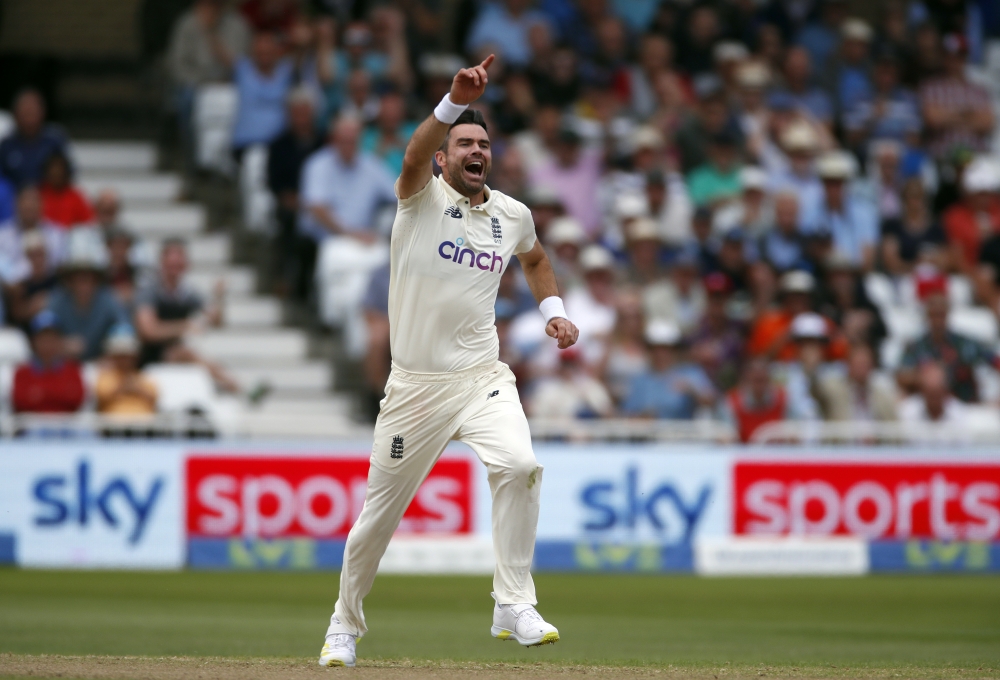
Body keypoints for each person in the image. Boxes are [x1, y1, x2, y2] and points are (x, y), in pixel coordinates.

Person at [318, 56, 579, 668]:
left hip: (482, 376)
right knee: (375, 523)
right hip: (414, 387)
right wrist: (453, 102)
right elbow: (411, 156)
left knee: (520, 464)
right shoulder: (419, 198)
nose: (474, 149)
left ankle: (513, 603)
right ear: (444, 156)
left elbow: (536, 260)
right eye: (463, 141)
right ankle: (343, 625)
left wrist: (554, 310)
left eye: (482, 142)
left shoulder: (512, 214)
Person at [301, 115, 397, 356]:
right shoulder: (317, 165)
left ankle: (360, 343)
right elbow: (317, 209)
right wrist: (350, 233)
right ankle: (328, 318)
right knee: (335, 259)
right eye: (343, 140)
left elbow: (398, 197)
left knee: (362, 284)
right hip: (330, 238)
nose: (348, 146)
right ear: (333, 140)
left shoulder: (371, 165)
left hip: (364, 240)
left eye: (353, 140)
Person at [133, 239, 238, 393]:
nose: (175, 269)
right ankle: (232, 386)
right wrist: (183, 326)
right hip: (147, 355)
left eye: (179, 264)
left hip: (174, 353)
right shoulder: (149, 292)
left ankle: (227, 384)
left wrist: (219, 298)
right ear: (162, 264)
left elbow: (215, 321)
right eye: (171, 264)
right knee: (187, 354)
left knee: (197, 357)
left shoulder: (187, 294)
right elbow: (148, 331)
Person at [897, 288, 1000, 404]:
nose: (937, 320)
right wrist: (929, 377)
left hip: (965, 406)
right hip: (928, 408)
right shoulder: (915, 346)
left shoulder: (965, 344)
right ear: (927, 316)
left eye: (941, 314)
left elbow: (995, 361)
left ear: (947, 314)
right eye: (933, 314)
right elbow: (902, 376)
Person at [267, 87, 322, 300]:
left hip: (321, 205)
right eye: (296, 112)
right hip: (292, 204)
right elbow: (275, 184)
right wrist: (297, 201)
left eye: (305, 111)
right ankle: (287, 281)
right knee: (288, 221)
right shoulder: (278, 146)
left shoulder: (323, 143)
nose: (301, 117)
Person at [621, 320, 715, 420]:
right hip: (648, 434)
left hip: (684, 434)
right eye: (655, 348)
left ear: (674, 349)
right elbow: (629, 412)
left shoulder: (691, 373)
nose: (660, 353)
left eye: (665, 348)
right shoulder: (640, 380)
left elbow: (711, 401)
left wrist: (692, 390)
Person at [919, 33, 994, 159]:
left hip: (975, 156)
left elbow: (986, 122)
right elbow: (932, 119)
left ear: (965, 57)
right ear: (943, 57)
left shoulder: (978, 90)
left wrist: (946, 115)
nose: (954, 61)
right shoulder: (931, 87)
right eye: (950, 56)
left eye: (959, 56)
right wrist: (966, 115)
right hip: (942, 156)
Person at [231, 31, 295, 154]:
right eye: (260, 53)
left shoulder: (286, 71)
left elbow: (301, 56)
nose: (264, 56)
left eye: (268, 52)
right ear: (253, 53)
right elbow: (222, 55)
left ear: (276, 52)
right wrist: (210, 32)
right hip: (246, 142)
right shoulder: (243, 69)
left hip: (278, 144)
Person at [12, 310, 85, 414]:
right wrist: (58, 394)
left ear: (60, 340)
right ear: (33, 342)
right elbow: (21, 402)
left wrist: (41, 394)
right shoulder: (22, 372)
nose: (48, 343)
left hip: (68, 426)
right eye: (43, 338)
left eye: (52, 337)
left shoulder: (73, 370)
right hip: (32, 425)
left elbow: (76, 400)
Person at [0, 90, 69, 188]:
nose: (29, 119)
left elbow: (65, 176)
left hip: (48, 198)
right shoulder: (7, 145)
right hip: (14, 199)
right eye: (25, 113)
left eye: (32, 112)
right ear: (15, 115)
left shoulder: (54, 142)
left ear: (42, 113)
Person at [95, 324, 158, 416]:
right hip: (110, 427)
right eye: (120, 356)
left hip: (144, 427)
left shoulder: (145, 378)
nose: (124, 360)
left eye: (127, 356)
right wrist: (122, 388)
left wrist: (137, 389)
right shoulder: (104, 377)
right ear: (113, 357)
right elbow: (102, 399)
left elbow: (154, 399)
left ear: (135, 357)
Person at [898, 361, 970, 424]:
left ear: (945, 391)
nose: (934, 400)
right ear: (922, 391)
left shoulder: (960, 415)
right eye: (930, 394)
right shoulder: (906, 412)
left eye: (937, 394)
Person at [39, 152, 95, 228]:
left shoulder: (76, 197)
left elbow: (88, 222)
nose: (56, 174)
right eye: (53, 172)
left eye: (59, 171)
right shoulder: (40, 196)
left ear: (66, 173)